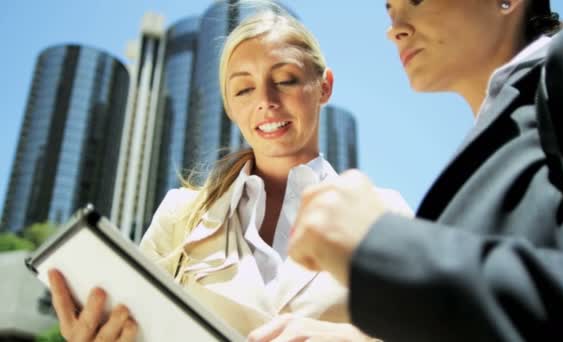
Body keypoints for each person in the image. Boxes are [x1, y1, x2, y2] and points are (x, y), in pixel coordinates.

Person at [250, 0, 563, 341]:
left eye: (416, 1)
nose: (395, 29)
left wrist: (382, 248)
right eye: (389, 10)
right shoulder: (479, 157)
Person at [47, 8, 404, 341]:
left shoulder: (382, 213)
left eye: (285, 79)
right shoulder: (180, 216)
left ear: (324, 86)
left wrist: (339, 337)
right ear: (230, 107)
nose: (265, 99)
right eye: (244, 89)